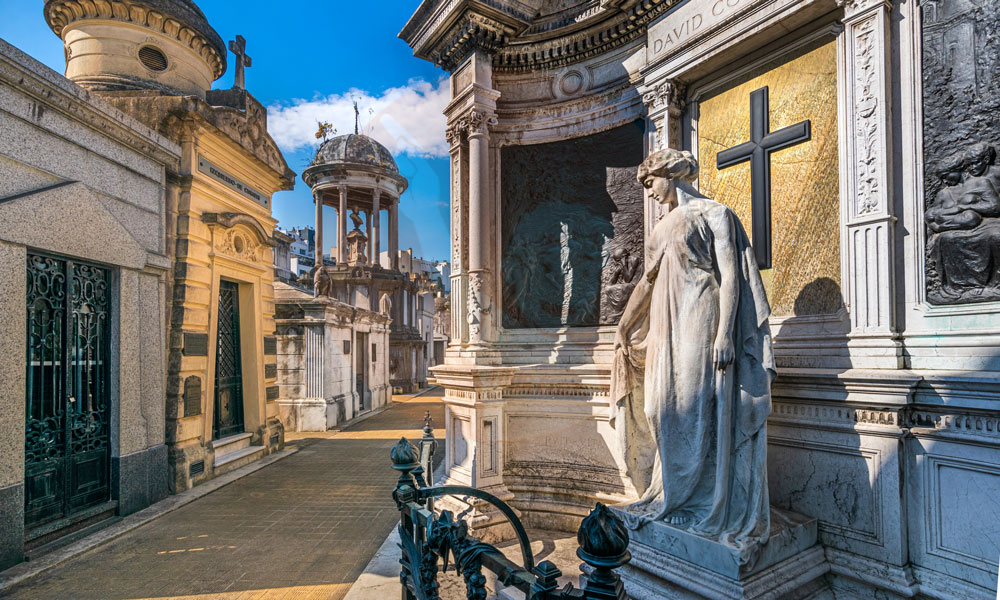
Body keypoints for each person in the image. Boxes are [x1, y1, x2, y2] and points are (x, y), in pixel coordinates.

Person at [611, 149, 775, 554]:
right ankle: (671, 493)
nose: (649, 192)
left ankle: (702, 500)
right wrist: (624, 325)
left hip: (701, 315)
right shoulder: (662, 227)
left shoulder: (715, 214)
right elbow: (647, 283)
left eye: (650, 182)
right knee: (658, 406)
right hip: (667, 322)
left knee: (697, 405)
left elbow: (731, 275)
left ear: (669, 173)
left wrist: (725, 334)